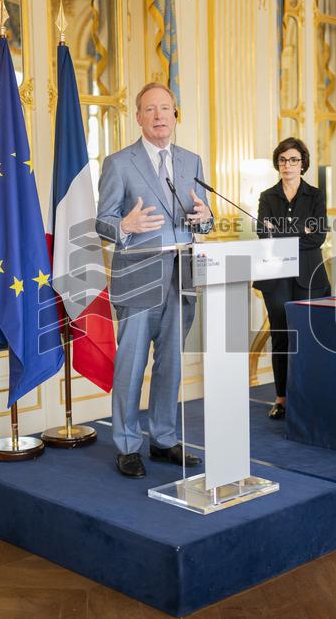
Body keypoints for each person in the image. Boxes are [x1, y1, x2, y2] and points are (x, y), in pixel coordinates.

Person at [96, 82, 214, 478]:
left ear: (175, 114)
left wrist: (205, 219)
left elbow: (206, 217)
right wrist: (124, 225)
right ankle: (127, 444)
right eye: (151, 109)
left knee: (171, 363)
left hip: (182, 275)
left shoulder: (191, 161)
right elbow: (102, 222)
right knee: (131, 363)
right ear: (138, 117)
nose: (160, 116)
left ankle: (163, 438)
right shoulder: (119, 163)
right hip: (137, 276)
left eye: (166, 108)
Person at [253, 137, 331, 420]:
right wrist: (301, 231)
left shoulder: (316, 196)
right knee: (282, 337)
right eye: (283, 160)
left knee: (308, 336)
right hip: (275, 276)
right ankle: (282, 398)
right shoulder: (267, 197)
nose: (288, 165)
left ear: (303, 164)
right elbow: (264, 235)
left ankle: (309, 395)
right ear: (278, 163)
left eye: (294, 160)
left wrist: (282, 232)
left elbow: (319, 237)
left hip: (309, 275)